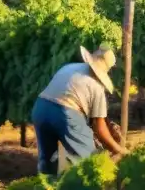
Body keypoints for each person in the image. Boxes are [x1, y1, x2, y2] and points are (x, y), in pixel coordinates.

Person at [32, 45, 126, 176]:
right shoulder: (97, 87)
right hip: (64, 114)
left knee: (48, 165)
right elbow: (100, 129)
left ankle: (49, 184)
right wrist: (119, 151)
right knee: (90, 160)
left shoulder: (69, 67)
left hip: (40, 109)